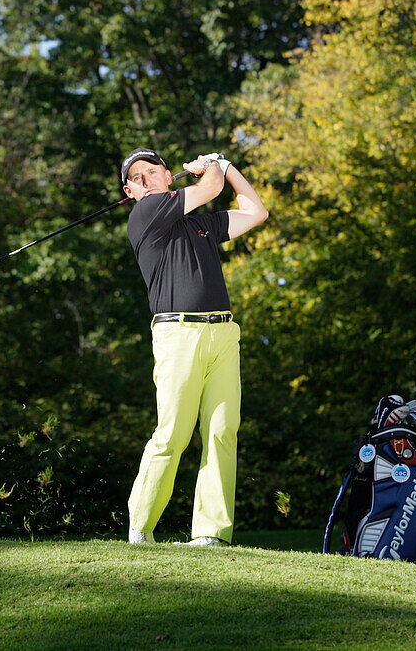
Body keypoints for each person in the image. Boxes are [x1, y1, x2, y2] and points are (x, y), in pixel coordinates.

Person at [120, 147, 268, 547]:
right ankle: (141, 527)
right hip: (177, 335)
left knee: (222, 432)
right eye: (138, 177)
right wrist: (212, 167)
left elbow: (256, 212)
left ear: (169, 177)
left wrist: (229, 166)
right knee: (173, 433)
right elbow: (212, 186)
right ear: (130, 192)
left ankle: (211, 534)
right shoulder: (145, 216)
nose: (148, 178)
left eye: (154, 171)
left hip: (223, 333)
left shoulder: (200, 225)